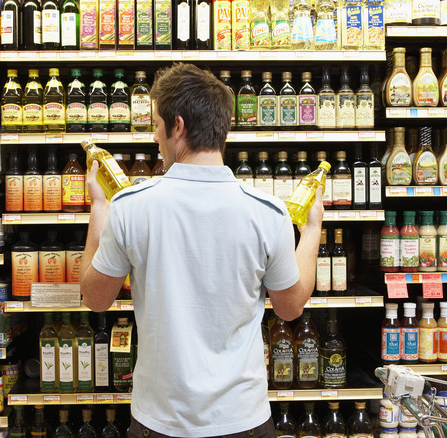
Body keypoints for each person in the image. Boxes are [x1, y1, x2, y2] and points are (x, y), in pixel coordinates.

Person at [79, 63, 324, 438]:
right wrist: (312, 230)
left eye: (157, 127)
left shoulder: (130, 206)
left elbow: (95, 298)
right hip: (242, 419)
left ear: (177, 127)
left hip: (160, 421)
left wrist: (99, 208)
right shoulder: (266, 213)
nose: (155, 139)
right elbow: (290, 308)